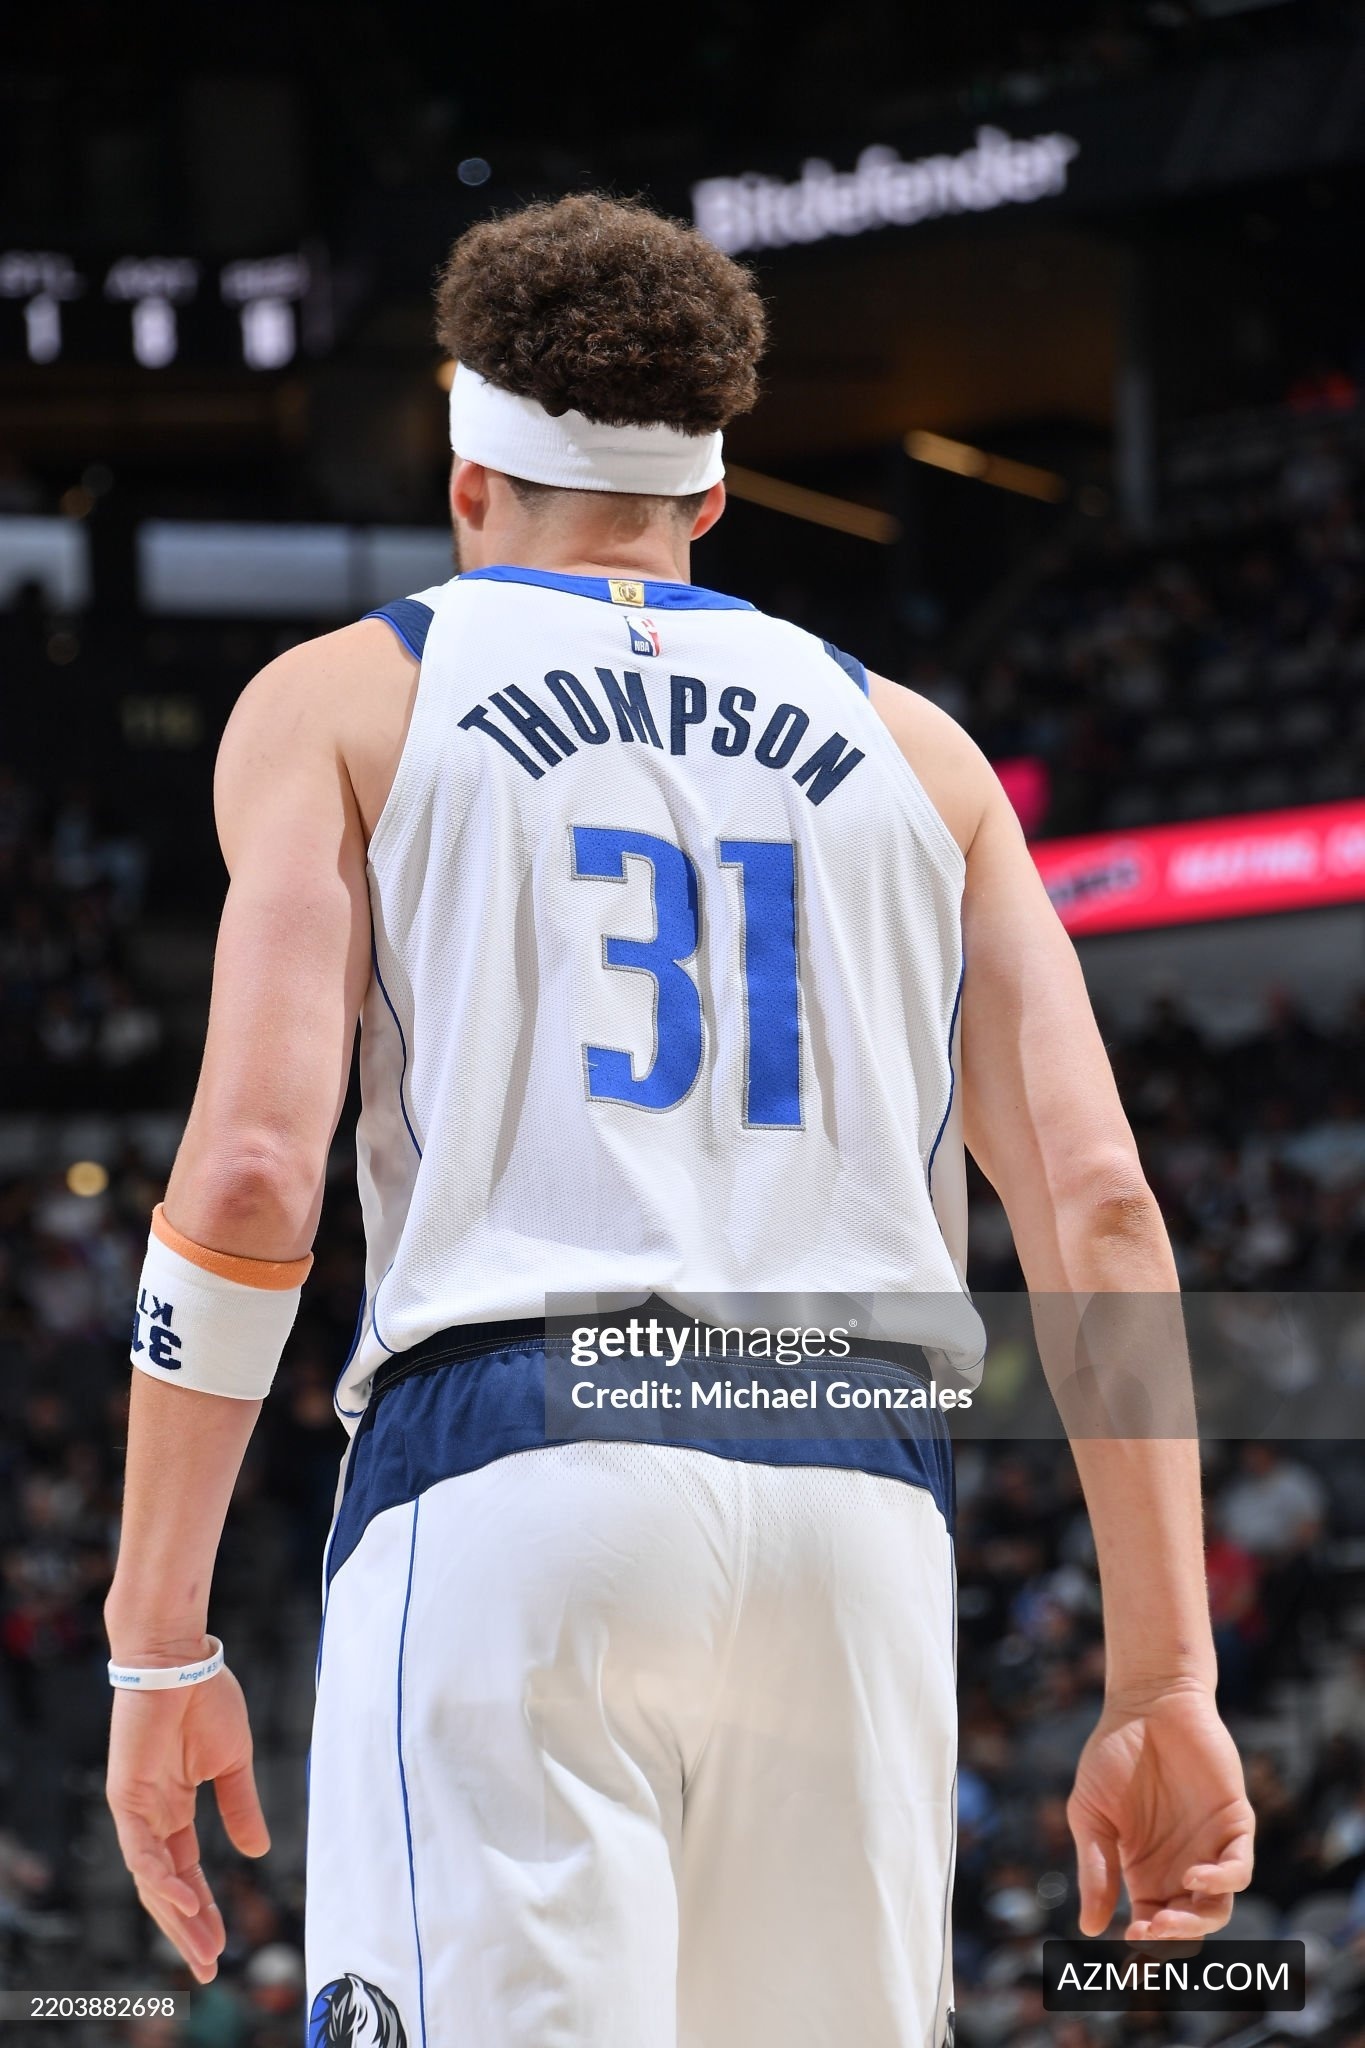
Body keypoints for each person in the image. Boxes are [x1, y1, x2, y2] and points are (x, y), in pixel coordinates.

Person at [103, 194, 1252, 2048]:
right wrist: (1164, 1677)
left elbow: (247, 1176)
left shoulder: (347, 698)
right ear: (711, 497)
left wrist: (158, 1639)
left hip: (522, 1462)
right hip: (855, 1501)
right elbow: (1103, 1214)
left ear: (466, 478)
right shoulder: (924, 754)